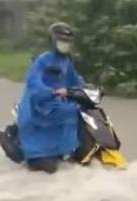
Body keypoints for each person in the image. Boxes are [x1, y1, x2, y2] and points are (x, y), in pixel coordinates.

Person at [16, 22, 85, 174]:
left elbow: (76, 80)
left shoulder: (67, 62)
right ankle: (35, 154)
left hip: (58, 104)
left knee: (75, 110)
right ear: (53, 41)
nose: (64, 45)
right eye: (62, 42)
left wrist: (88, 88)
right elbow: (34, 84)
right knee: (51, 170)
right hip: (40, 106)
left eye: (67, 42)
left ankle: (66, 149)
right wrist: (51, 92)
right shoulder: (42, 61)